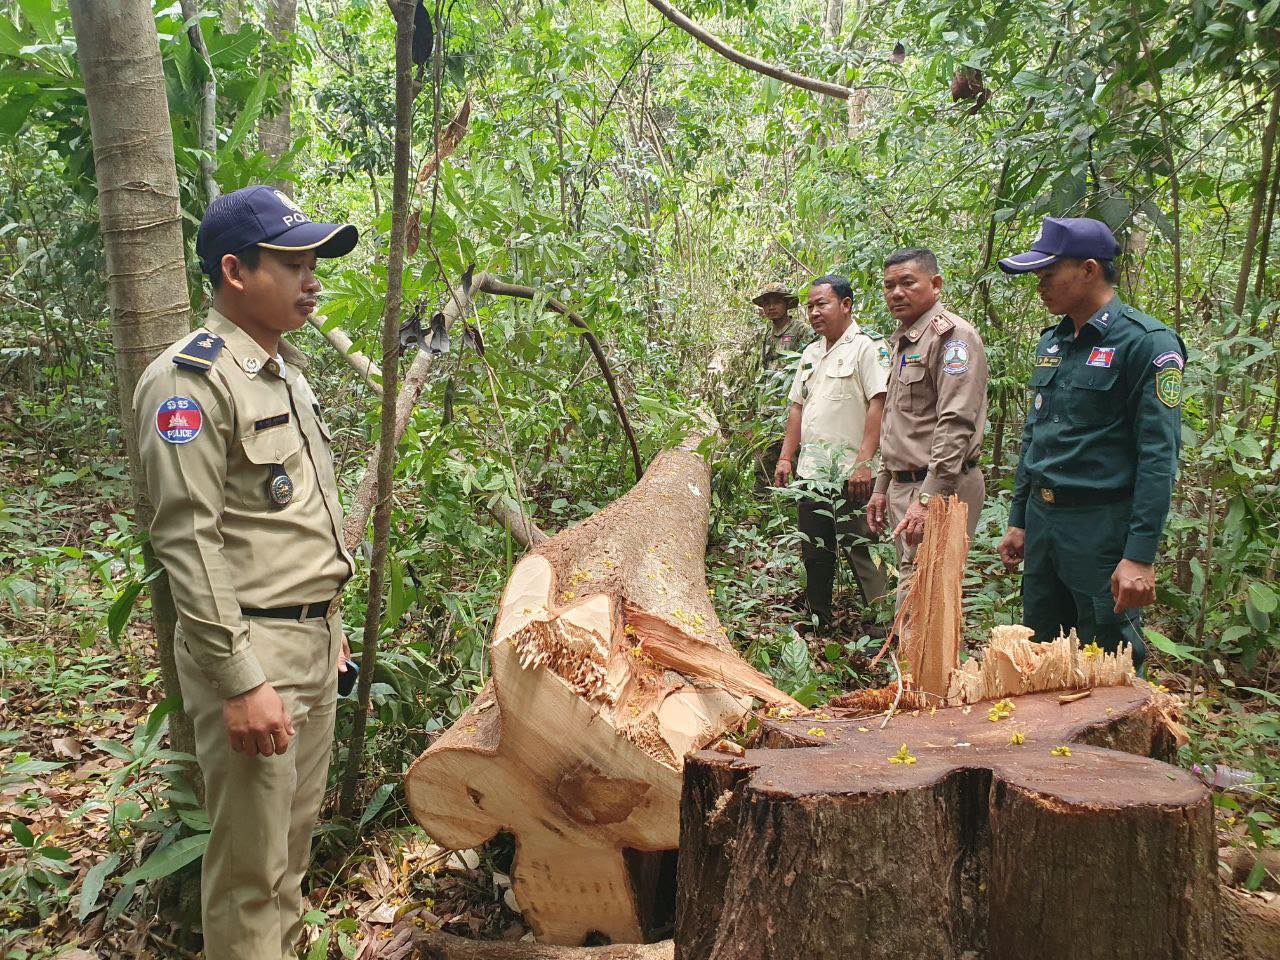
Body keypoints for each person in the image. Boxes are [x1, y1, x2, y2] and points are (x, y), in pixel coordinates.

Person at [133, 185, 360, 960]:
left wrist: (328, 625)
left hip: (310, 645)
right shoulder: (188, 381)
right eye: (293, 264)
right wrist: (240, 681)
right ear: (234, 270)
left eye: (314, 263)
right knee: (250, 876)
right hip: (253, 653)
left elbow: (287, 522)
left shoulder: (282, 371)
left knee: (288, 856)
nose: (312, 280)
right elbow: (188, 541)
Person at [994, 216, 1185, 672]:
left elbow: (1158, 457)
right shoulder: (1053, 342)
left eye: (1048, 273)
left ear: (1088, 269)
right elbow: (1035, 436)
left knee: (1107, 661)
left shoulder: (1146, 343)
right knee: (1040, 656)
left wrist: (1138, 556)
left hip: (1100, 528)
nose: (1040, 285)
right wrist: (1019, 520)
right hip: (1044, 524)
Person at [866, 249, 988, 615]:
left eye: (907, 283)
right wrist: (882, 486)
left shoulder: (952, 338)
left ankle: (916, 657)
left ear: (935, 284)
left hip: (939, 486)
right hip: (905, 486)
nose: (896, 293)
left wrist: (927, 499)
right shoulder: (906, 340)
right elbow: (898, 422)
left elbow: (955, 422)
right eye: (889, 286)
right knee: (919, 592)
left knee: (924, 598)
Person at [774, 274, 890, 632]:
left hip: (852, 473)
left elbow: (879, 404)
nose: (814, 312)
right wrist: (786, 457)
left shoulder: (867, 347)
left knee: (862, 549)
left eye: (821, 304)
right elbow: (798, 406)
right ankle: (817, 619)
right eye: (810, 306)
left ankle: (883, 625)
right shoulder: (811, 352)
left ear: (846, 305)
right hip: (812, 473)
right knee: (815, 551)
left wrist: (864, 463)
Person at [754, 281, 812, 483]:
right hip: (768, 410)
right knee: (763, 460)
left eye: (776, 302)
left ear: (787, 304)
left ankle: (794, 498)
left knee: (795, 460)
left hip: (792, 406)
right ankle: (761, 499)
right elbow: (763, 371)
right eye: (766, 303)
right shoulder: (766, 335)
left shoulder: (802, 331)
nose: (771, 307)